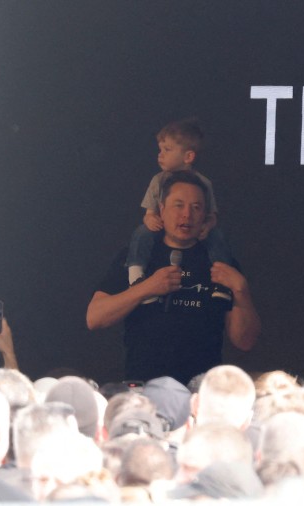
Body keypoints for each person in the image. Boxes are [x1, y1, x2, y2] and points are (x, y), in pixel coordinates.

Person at [87, 170, 261, 384]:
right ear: (161, 209)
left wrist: (241, 291)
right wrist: (146, 288)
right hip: (144, 388)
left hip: (199, 392)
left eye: (196, 207)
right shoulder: (137, 258)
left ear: (206, 215)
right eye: (178, 205)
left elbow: (244, 341)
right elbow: (94, 318)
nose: (187, 215)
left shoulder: (221, 263)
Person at [128, 118, 226, 286]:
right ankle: (136, 275)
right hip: (162, 229)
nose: (161, 155)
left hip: (193, 231)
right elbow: (149, 212)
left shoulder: (204, 183)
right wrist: (150, 219)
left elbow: (212, 215)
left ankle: (223, 281)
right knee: (141, 233)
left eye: (167, 149)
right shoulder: (157, 181)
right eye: (160, 149)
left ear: (188, 156)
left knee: (217, 236)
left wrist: (207, 226)